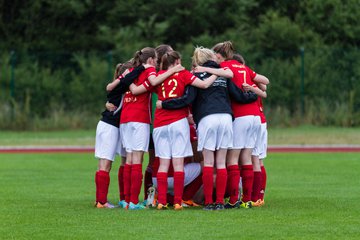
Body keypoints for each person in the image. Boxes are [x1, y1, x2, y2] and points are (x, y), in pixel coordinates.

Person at [151, 50, 219, 210]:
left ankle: (161, 201)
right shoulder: (183, 75)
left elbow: (154, 85)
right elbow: (204, 84)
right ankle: (177, 202)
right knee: (178, 163)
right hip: (178, 122)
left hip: (160, 123)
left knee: (163, 163)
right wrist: (218, 74)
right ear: (176, 63)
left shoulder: (160, 75)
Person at [120, 47, 183, 210]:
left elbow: (123, 86)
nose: (156, 64)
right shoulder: (149, 71)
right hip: (139, 118)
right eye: (155, 60)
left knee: (129, 159)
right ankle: (133, 202)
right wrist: (174, 69)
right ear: (150, 60)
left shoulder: (131, 70)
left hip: (125, 118)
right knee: (137, 160)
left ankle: (126, 200)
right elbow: (154, 82)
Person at [212, 41, 269, 208]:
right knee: (248, 158)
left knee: (233, 158)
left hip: (241, 116)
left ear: (219, 55)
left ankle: (234, 199)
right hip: (255, 117)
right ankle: (248, 200)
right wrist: (252, 88)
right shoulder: (244, 67)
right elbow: (265, 81)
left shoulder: (223, 66)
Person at [94, 62, 146, 208]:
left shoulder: (122, 87)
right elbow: (110, 89)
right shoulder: (121, 86)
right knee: (105, 164)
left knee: (112, 164)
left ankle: (110, 199)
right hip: (109, 126)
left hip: (116, 127)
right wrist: (142, 68)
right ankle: (101, 201)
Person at [143, 44, 174, 203]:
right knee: (154, 161)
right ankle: (150, 195)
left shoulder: (165, 74)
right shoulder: (156, 75)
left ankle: (162, 196)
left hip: (164, 123)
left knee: (162, 161)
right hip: (154, 124)